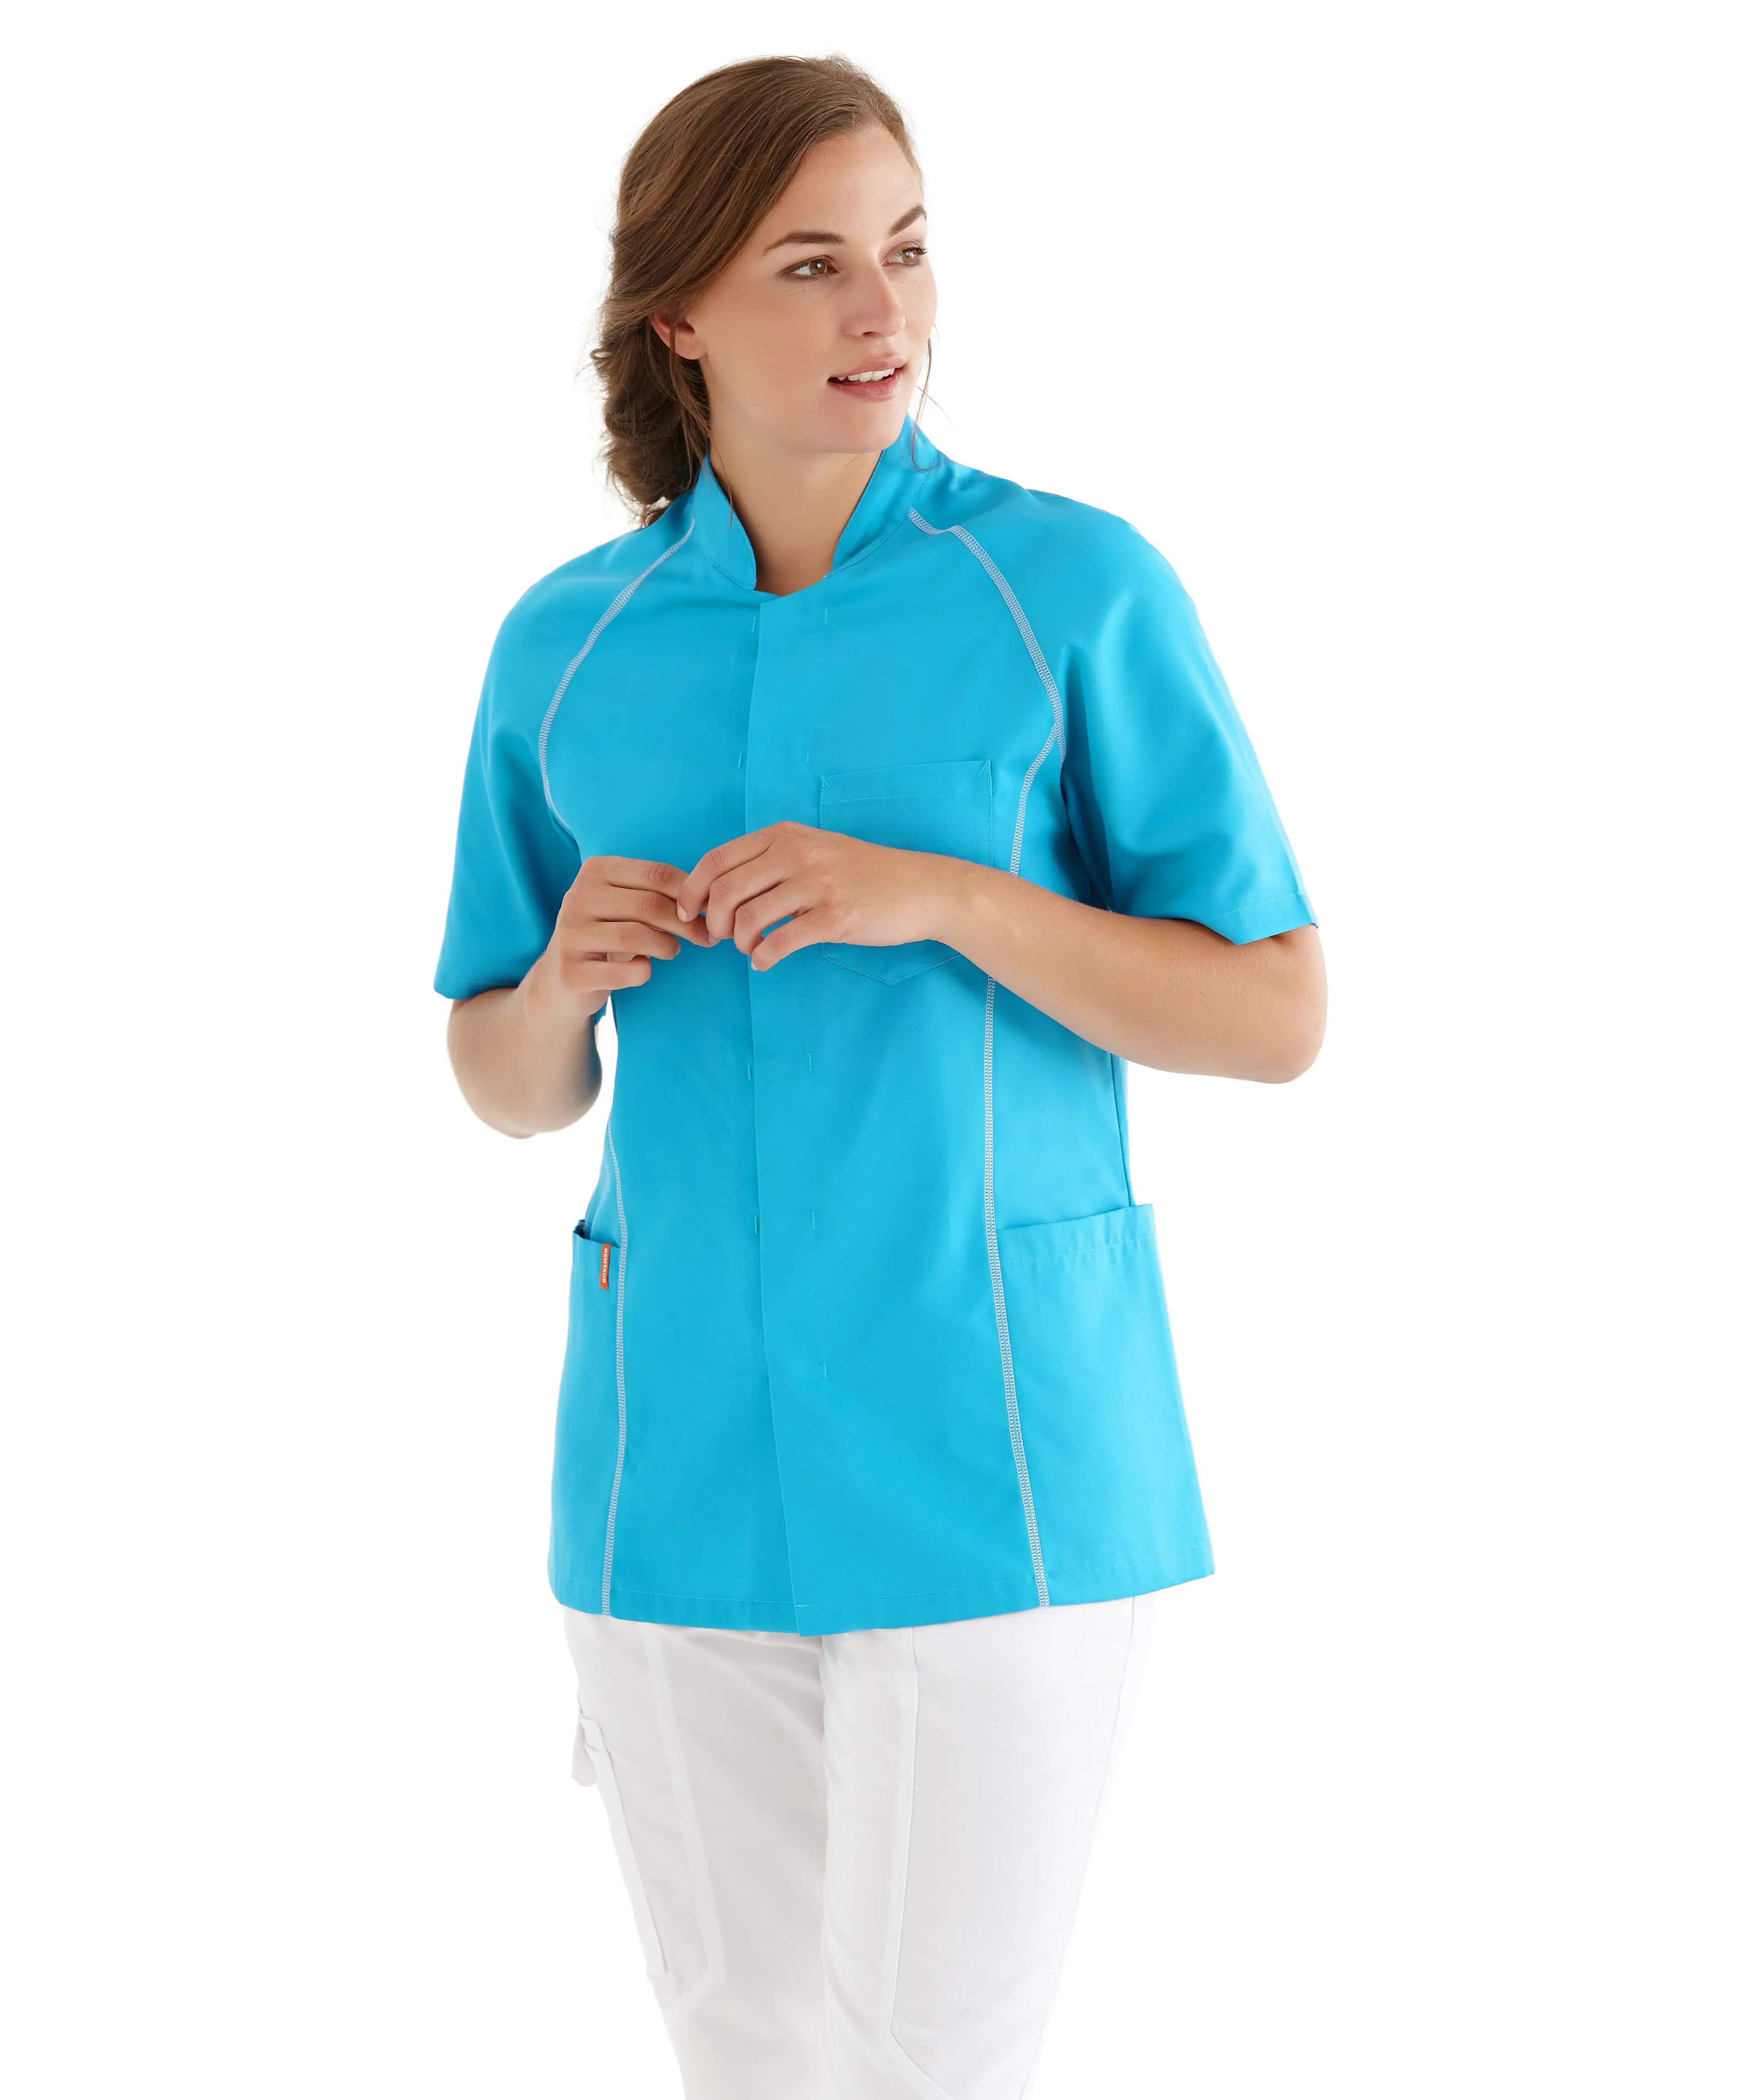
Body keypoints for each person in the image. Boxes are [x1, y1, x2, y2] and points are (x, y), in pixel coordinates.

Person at [436, 53, 1325, 2100]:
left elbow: (1279, 1013)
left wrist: (945, 897)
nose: (883, 313)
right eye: (812, 264)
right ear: (679, 314)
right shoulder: (567, 645)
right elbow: (503, 1079)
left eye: (908, 252)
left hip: (995, 1453)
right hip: (669, 1470)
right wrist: (561, 983)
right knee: (744, 2065)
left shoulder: (1069, 588)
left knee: (929, 2073)